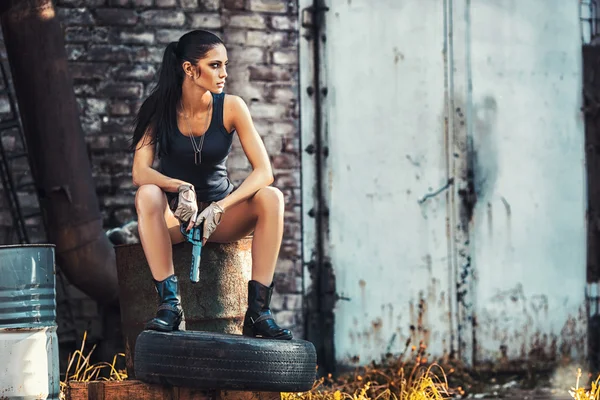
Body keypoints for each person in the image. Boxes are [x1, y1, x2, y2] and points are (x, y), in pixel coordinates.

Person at [129, 30, 292, 340]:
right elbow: (140, 171)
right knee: (147, 194)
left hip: (221, 218)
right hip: (177, 219)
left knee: (271, 197)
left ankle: (259, 313)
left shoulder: (231, 107)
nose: (224, 73)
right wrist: (179, 187)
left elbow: (264, 172)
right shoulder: (158, 108)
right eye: (215, 65)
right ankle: (169, 306)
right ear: (190, 69)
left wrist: (220, 206)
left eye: (225, 65)